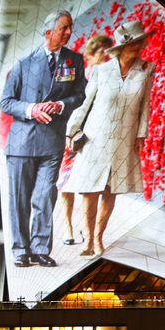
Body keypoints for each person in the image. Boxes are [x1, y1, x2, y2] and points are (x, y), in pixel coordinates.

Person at [0, 9, 87, 268]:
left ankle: (40, 249)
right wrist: (32, 109)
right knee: (20, 199)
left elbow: (80, 95)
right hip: (21, 144)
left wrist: (60, 105)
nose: (69, 32)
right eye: (64, 28)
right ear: (48, 33)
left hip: (52, 142)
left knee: (44, 197)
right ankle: (20, 249)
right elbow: (6, 101)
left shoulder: (75, 61)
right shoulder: (24, 64)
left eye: (70, 27)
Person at [64, 20, 154, 256]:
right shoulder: (101, 71)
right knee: (89, 189)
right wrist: (72, 129)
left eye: (138, 43)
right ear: (121, 47)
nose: (136, 47)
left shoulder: (146, 69)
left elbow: (145, 105)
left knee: (110, 190)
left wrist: (141, 134)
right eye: (131, 44)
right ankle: (87, 240)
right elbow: (86, 103)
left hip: (124, 138)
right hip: (96, 137)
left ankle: (98, 237)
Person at [57, 34, 114, 246]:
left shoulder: (110, 77)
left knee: (88, 184)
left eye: (109, 52)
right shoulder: (76, 77)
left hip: (94, 138)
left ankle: (84, 225)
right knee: (66, 183)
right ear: (90, 54)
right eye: (102, 51)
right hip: (72, 135)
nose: (107, 56)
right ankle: (68, 227)